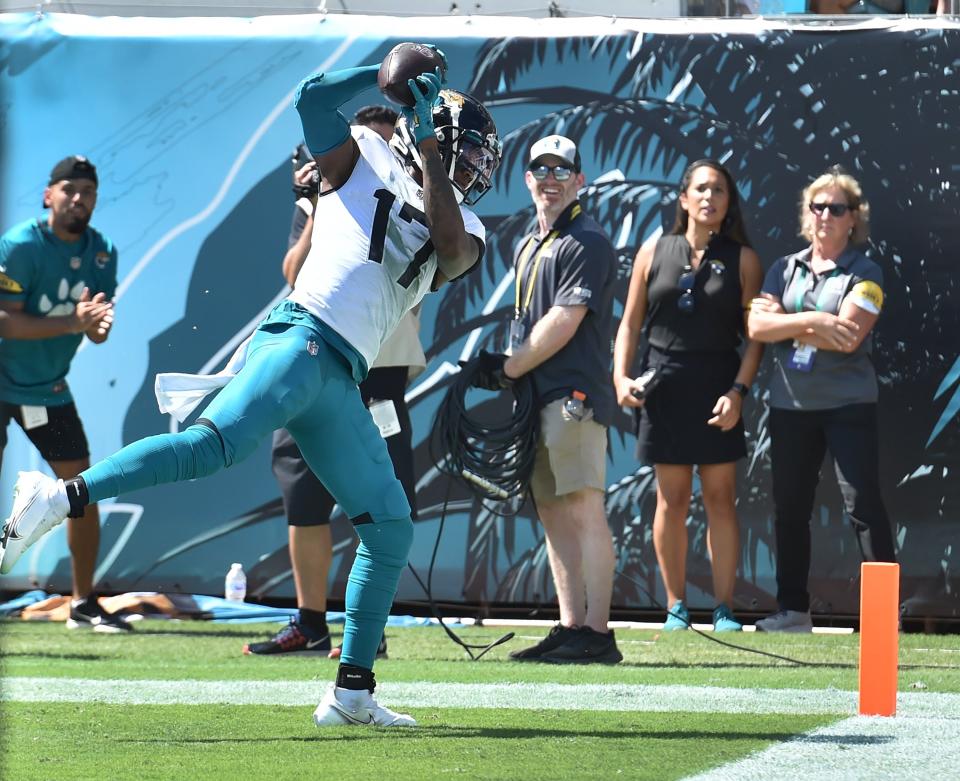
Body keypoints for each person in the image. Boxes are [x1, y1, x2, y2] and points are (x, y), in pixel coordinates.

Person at [0, 49, 502, 726]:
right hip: (301, 338)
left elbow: (446, 247)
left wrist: (430, 149)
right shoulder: (363, 154)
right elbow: (309, 101)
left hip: (341, 375)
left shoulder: (466, 224)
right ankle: (57, 495)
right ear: (428, 134)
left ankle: (352, 689)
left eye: (474, 163)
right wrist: (382, 77)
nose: (472, 172)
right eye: (463, 155)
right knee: (211, 447)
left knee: (388, 525)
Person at [245, 108, 426, 659]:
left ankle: (367, 626)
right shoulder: (326, 197)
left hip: (378, 367)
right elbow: (294, 272)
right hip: (315, 356)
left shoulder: (420, 203)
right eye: (368, 146)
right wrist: (326, 198)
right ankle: (310, 621)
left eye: (389, 145)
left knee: (375, 501)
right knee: (303, 498)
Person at [470, 135, 621, 664]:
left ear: (580, 180)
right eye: (541, 169)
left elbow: (564, 320)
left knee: (583, 508)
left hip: (572, 395)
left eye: (563, 169)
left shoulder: (587, 241)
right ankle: (571, 625)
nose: (551, 178)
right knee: (554, 512)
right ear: (528, 179)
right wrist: (509, 370)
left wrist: (506, 367)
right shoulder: (530, 242)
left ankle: (599, 635)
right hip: (536, 395)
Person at [612, 159, 763, 633]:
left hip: (718, 385)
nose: (709, 197)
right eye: (700, 189)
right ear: (683, 198)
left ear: (727, 202)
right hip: (663, 386)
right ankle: (676, 606)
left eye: (718, 190)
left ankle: (723, 610)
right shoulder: (654, 249)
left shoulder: (745, 259)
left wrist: (738, 392)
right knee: (670, 499)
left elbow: (755, 337)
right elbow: (631, 323)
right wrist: (620, 377)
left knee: (721, 497)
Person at [747, 167, 896, 632]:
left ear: (854, 219)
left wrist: (788, 321)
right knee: (790, 506)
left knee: (862, 506)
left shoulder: (866, 273)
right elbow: (755, 328)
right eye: (818, 207)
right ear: (807, 215)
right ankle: (793, 611)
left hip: (848, 405)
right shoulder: (782, 268)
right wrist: (815, 321)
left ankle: (882, 617)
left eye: (836, 208)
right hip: (790, 407)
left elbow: (850, 337)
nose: (825, 216)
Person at [0, 156, 129, 633]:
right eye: (69, 189)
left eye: (88, 192)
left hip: (47, 389)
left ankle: (83, 602)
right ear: (48, 195)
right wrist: (73, 322)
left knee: (81, 492)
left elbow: (96, 330)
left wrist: (96, 326)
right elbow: (4, 320)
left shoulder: (102, 252)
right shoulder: (20, 245)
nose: (79, 199)